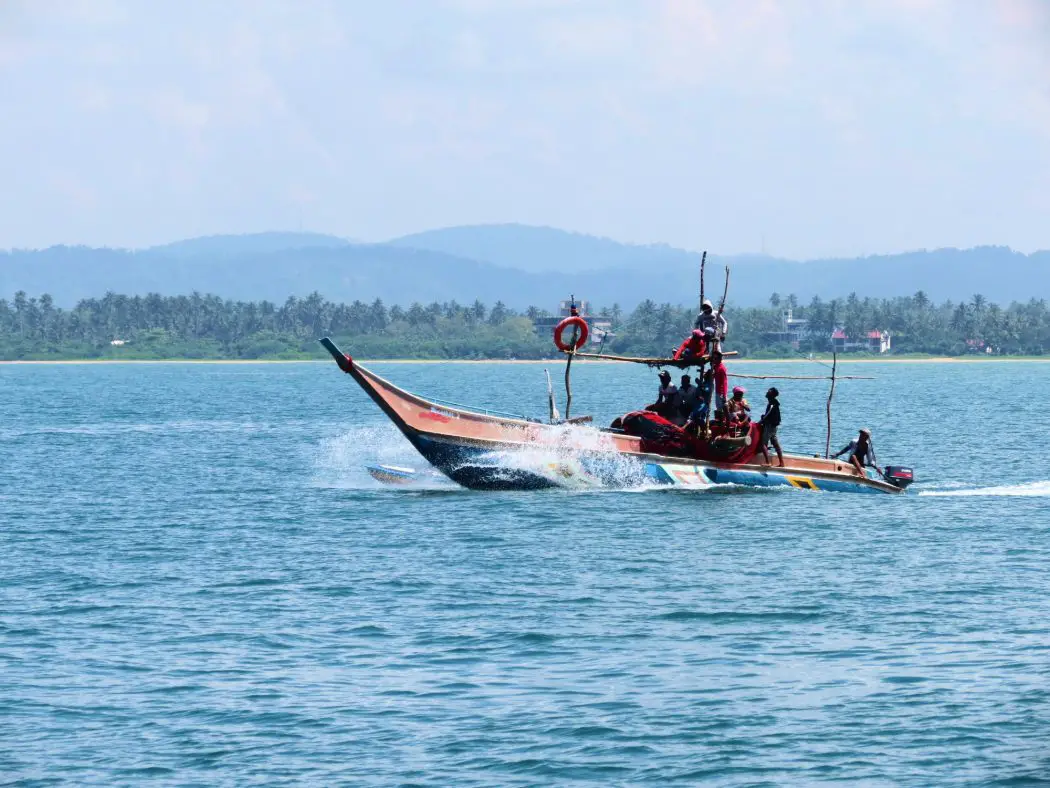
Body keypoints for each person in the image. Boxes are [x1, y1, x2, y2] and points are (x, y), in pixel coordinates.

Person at [758, 387, 784, 467]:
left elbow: (767, 415)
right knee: (775, 443)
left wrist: (761, 420)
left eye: (769, 392)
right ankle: (781, 463)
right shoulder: (773, 403)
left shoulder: (772, 404)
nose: (766, 392)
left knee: (763, 444)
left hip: (770, 426)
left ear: (772, 395)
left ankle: (767, 462)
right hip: (774, 427)